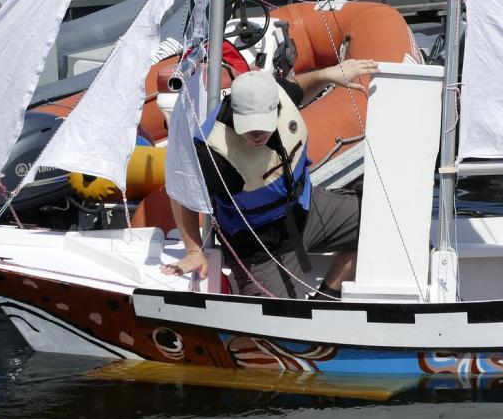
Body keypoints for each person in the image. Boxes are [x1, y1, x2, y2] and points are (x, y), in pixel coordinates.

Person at [162, 58, 379, 299]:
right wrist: (194, 249)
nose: (257, 135)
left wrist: (327, 74)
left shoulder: (279, 93)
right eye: (249, 126)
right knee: (287, 322)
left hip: (306, 211)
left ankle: (325, 300)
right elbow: (181, 191)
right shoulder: (214, 154)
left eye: (263, 125)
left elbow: (297, 86)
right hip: (262, 249)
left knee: (381, 221)